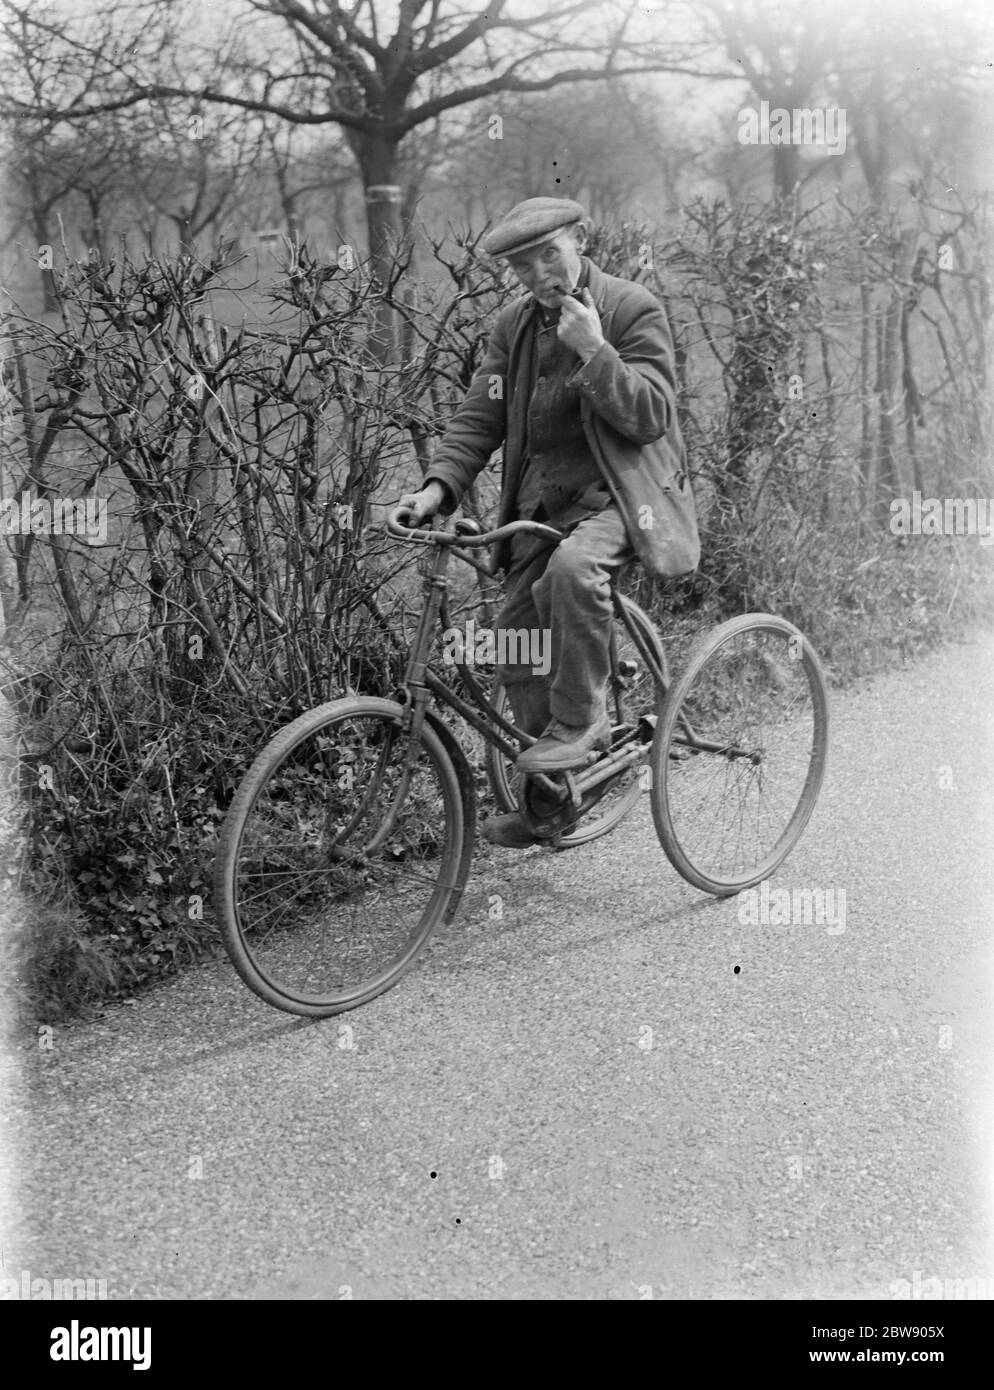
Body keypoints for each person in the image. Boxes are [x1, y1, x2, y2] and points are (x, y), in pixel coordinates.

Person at [398, 197, 699, 847]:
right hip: (549, 501)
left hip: (624, 494)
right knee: (512, 633)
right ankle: (556, 795)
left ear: (579, 241)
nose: (539, 274)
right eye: (521, 266)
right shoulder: (515, 326)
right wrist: (436, 487)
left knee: (573, 569)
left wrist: (595, 353)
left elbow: (650, 417)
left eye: (549, 255)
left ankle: (583, 723)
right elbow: (480, 415)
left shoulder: (628, 308)